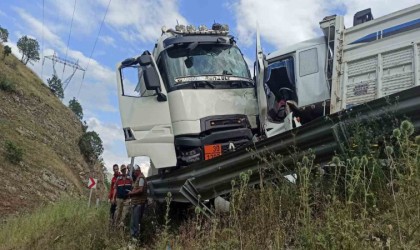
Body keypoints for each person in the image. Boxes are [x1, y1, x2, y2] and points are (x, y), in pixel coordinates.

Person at [128, 164, 148, 241]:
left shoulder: (141, 178)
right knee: (134, 221)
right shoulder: (139, 178)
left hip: (138, 204)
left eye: (135, 172)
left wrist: (131, 193)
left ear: (138, 171)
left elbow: (140, 190)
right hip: (136, 203)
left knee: (135, 222)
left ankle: (135, 239)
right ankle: (134, 238)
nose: (134, 173)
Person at [112, 164, 133, 228]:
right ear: (121, 170)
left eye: (124, 169)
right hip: (119, 199)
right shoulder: (118, 178)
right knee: (118, 212)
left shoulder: (130, 178)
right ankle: (115, 225)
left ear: (126, 170)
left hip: (127, 199)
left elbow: (132, 187)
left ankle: (121, 227)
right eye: (122, 170)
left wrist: (131, 193)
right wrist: (113, 198)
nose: (123, 171)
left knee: (124, 213)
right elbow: (115, 188)